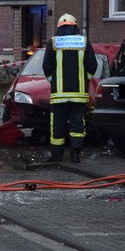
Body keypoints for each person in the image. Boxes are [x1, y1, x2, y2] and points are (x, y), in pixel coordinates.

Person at [43, 14, 98, 163]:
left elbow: (46, 67)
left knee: (58, 125)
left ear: (59, 27)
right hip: (79, 94)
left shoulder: (52, 42)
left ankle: (57, 156)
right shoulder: (84, 42)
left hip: (59, 95)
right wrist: (85, 79)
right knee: (77, 124)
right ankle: (75, 155)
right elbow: (92, 65)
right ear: (75, 26)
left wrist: (53, 82)